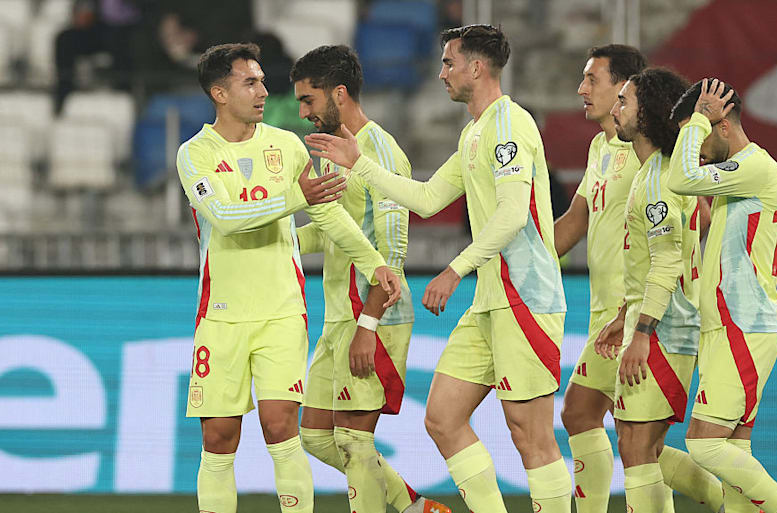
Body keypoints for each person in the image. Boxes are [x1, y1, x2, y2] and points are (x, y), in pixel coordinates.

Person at [306, 24, 573, 513]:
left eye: (449, 62)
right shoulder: (474, 132)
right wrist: (359, 163)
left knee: (530, 435)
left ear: (476, 67)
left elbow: (513, 215)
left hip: (527, 300)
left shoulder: (510, 124)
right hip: (491, 302)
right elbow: (427, 199)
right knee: (443, 419)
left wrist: (455, 269)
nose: (441, 72)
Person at [176, 42, 401, 513]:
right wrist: (296, 198)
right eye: (250, 82)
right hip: (221, 315)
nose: (264, 90)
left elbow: (327, 214)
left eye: (262, 80)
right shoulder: (194, 154)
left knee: (281, 428)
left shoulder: (285, 145)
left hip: (282, 310)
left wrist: (371, 261)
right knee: (219, 436)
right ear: (219, 92)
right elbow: (227, 217)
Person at [556, 46, 723, 513]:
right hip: (620, 316)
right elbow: (576, 218)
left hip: (652, 320)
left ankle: (736, 499)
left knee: (637, 445)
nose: (582, 89)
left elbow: (697, 218)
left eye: (593, 80)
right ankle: (734, 498)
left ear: (626, 91)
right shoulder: (606, 150)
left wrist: (645, 313)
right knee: (593, 420)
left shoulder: (658, 165)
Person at [289, 45, 451, 513]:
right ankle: (416, 508)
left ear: (339, 93)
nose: (302, 113)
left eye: (309, 101)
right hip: (339, 317)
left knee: (354, 440)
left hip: (373, 316)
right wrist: (276, 241)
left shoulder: (379, 152)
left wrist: (369, 324)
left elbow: (392, 251)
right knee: (317, 436)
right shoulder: (330, 148)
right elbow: (330, 230)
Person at [669, 79, 777, 513]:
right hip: (723, 327)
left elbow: (681, 177)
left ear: (722, 126)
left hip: (744, 326)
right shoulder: (737, 175)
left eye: (702, 135)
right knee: (734, 453)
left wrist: (696, 123)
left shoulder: (756, 167)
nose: (697, 148)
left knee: (704, 446)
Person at [592, 67, 701, 513]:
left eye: (624, 102)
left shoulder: (657, 180)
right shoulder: (652, 170)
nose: (615, 110)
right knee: (641, 446)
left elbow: (668, 260)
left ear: (648, 113)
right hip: (651, 322)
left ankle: (746, 502)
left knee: (637, 448)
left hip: (664, 330)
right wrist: (625, 316)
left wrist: (643, 333)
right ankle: (736, 501)